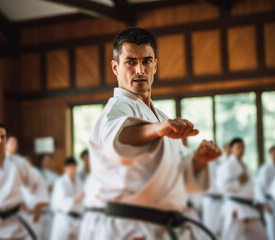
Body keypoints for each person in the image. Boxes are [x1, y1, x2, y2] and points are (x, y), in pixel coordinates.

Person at [80, 27, 221, 240]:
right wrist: (159, 129)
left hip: (162, 226)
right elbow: (120, 140)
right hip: (130, 228)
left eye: (146, 61)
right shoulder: (116, 109)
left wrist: (199, 160)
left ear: (155, 65)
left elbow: (177, 176)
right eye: (130, 62)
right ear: (115, 67)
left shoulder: (161, 115)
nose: (139, 70)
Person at [216, 138, 266, 240]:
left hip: (249, 207)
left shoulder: (245, 166)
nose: (241, 149)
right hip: (235, 207)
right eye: (238, 147)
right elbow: (221, 186)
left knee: (261, 237)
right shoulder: (227, 165)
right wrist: (238, 182)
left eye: (243, 147)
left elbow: (251, 187)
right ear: (231, 149)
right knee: (231, 237)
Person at [50, 157, 84, 240]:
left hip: (77, 217)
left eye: (74, 168)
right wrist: (76, 199)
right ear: (65, 168)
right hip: (63, 217)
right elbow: (60, 201)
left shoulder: (79, 182)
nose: (73, 170)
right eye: (71, 168)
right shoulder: (60, 182)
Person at [201, 143, 230, 237]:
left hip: (222, 200)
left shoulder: (222, 163)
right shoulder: (204, 163)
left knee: (224, 229)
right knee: (209, 229)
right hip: (210, 199)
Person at [255, 146, 275, 240]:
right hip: (269, 202)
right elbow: (259, 186)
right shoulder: (265, 168)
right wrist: (263, 203)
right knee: (272, 230)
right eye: (273, 153)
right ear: (270, 154)